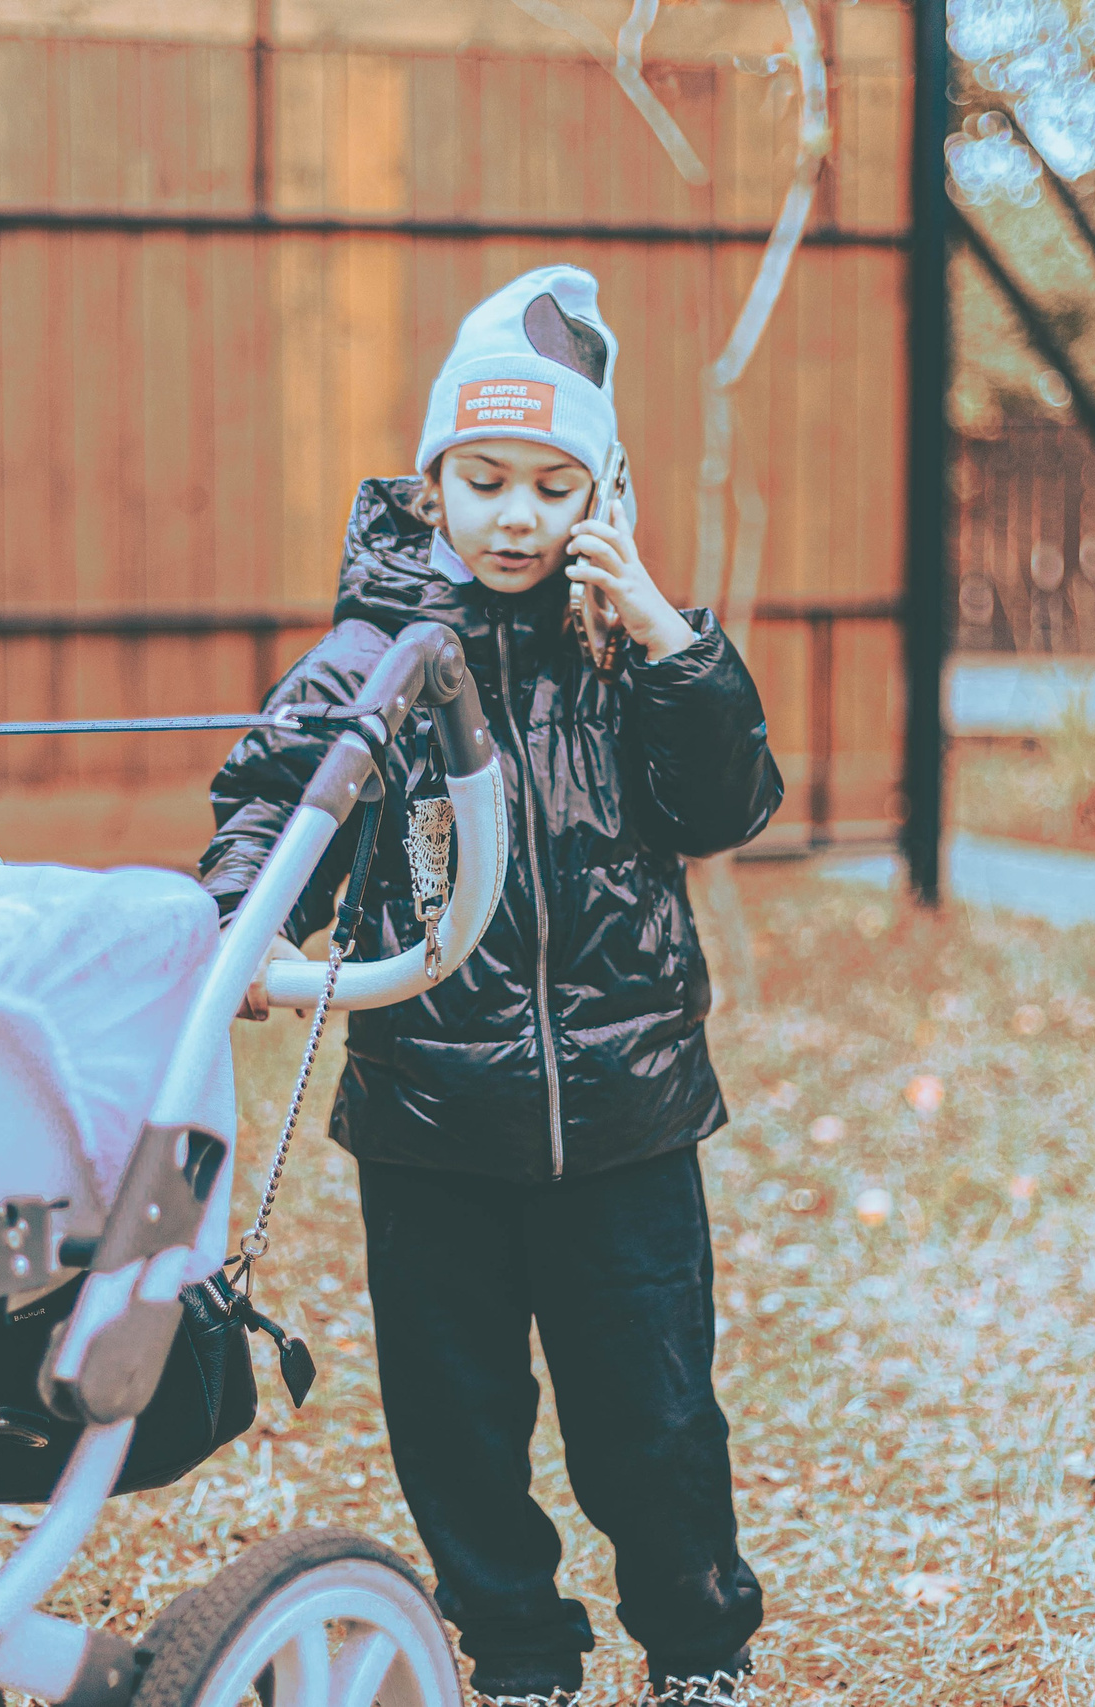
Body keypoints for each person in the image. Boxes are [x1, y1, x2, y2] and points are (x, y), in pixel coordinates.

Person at [199, 265, 784, 1707]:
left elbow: (728, 805)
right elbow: (275, 801)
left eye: (550, 484)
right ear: (434, 480)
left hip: (627, 1124)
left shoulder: (629, 649)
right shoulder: (372, 657)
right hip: (430, 1123)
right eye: (484, 479)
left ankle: (698, 1653)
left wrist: (672, 637)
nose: (516, 516)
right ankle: (519, 1655)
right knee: (455, 1424)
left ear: (600, 492)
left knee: (650, 1418)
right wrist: (243, 927)